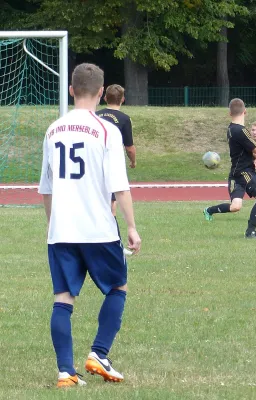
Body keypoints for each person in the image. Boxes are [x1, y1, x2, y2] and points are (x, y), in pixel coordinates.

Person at [38, 63, 142, 388]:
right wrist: (132, 226)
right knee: (117, 287)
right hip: (97, 228)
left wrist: (52, 224)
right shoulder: (107, 130)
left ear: (71, 90)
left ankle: (65, 372)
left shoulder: (53, 129)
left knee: (63, 299)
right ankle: (99, 353)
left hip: (62, 230)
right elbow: (120, 185)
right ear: (101, 93)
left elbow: (46, 188)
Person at [203, 98, 256, 238]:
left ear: (230, 113)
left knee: (235, 207)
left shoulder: (230, 128)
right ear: (245, 111)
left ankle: (209, 210)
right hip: (243, 172)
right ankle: (250, 231)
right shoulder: (241, 130)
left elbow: (248, 150)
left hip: (237, 173)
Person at [96, 84, 136, 217]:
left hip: (94, 160)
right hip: (112, 164)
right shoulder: (124, 119)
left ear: (105, 98)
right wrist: (133, 161)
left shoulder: (96, 115)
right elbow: (129, 147)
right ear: (123, 99)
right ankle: (110, 230)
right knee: (112, 203)